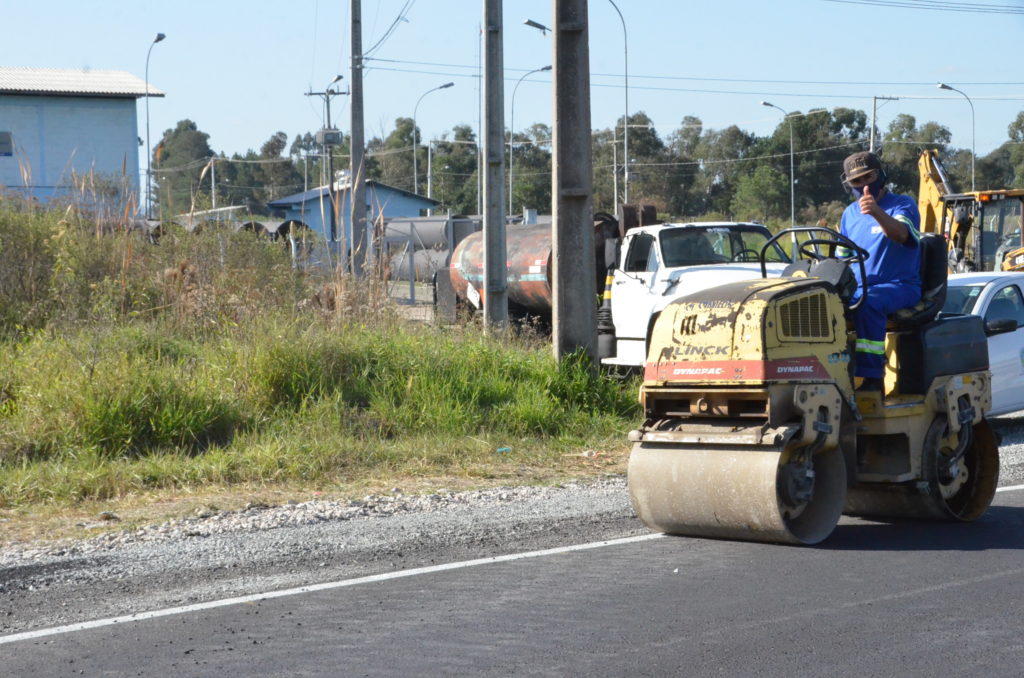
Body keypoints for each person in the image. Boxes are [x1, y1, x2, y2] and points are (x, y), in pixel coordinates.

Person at [839, 151, 922, 392]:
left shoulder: (903, 204)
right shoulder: (849, 214)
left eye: (869, 177)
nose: (864, 185)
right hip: (860, 287)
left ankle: (872, 376)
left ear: (881, 174)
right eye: (856, 181)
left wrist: (876, 211)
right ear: (848, 185)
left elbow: (902, 235)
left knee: (868, 303)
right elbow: (843, 258)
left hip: (900, 285)